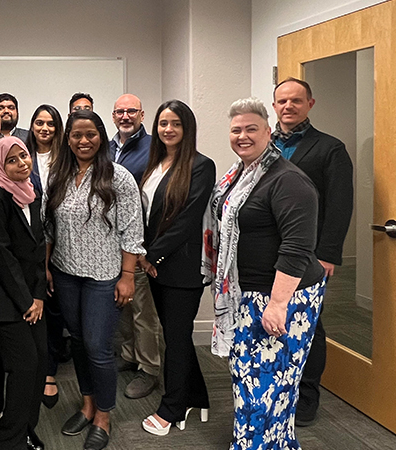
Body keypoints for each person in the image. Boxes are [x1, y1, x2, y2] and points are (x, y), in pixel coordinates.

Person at [202, 98, 325, 449]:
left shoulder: (288, 180)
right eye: (236, 130)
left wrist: (277, 304)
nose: (242, 136)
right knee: (252, 384)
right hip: (248, 295)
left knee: (266, 390)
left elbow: (297, 247)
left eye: (251, 129)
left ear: (268, 132)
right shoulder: (240, 175)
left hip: (282, 298)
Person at [44, 110, 145, 450]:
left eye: (90, 134)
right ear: (68, 139)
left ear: (101, 136)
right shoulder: (58, 174)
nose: (83, 140)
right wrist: (46, 267)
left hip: (104, 276)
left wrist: (128, 276)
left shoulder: (119, 177)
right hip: (65, 272)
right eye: (76, 135)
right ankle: (87, 404)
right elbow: (48, 227)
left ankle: (103, 415)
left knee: (98, 347)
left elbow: (132, 229)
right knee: (76, 341)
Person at [271, 77, 354, 427]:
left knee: (308, 325)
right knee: (274, 322)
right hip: (269, 254)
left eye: (295, 100)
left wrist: (328, 254)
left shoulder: (329, 148)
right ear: (274, 106)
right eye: (282, 101)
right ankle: (280, 389)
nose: (288, 106)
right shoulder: (265, 144)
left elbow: (340, 204)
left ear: (310, 104)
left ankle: (307, 396)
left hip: (309, 256)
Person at [136, 100, 214, 435]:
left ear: (187, 128)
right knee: (175, 335)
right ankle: (197, 396)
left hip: (181, 268)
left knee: (176, 339)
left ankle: (172, 408)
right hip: (155, 266)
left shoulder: (201, 165)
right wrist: (144, 254)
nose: (168, 129)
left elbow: (187, 220)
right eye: (163, 123)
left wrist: (151, 256)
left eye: (176, 124)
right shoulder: (154, 164)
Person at [0, 136, 47, 450]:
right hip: (4, 298)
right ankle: (8, 438)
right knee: (24, 365)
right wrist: (26, 300)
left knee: (40, 361)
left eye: (24, 156)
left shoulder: (31, 194)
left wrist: (38, 296)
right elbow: (1, 257)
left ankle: (26, 426)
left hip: (32, 296)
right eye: (11, 160)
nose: (21, 164)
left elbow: (39, 248)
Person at [109, 93, 161, 400]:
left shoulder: (154, 147)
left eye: (131, 111)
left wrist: (145, 247)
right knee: (123, 304)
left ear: (142, 115)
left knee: (143, 310)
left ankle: (149, 367)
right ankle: (129, 355)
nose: (125, 116)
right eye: (120, 111)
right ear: (113, 116)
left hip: (139, 243)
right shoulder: (107, 148)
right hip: (111, 243)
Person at [25, 104, 66, 409]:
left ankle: (49, 369)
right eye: (39, 123)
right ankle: (29, 364)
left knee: (53, 306)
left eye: (50, 124)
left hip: (62, 240)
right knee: (29, 303)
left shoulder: (66, 157)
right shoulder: (22, 154)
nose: (44, 128)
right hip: (29, 240)